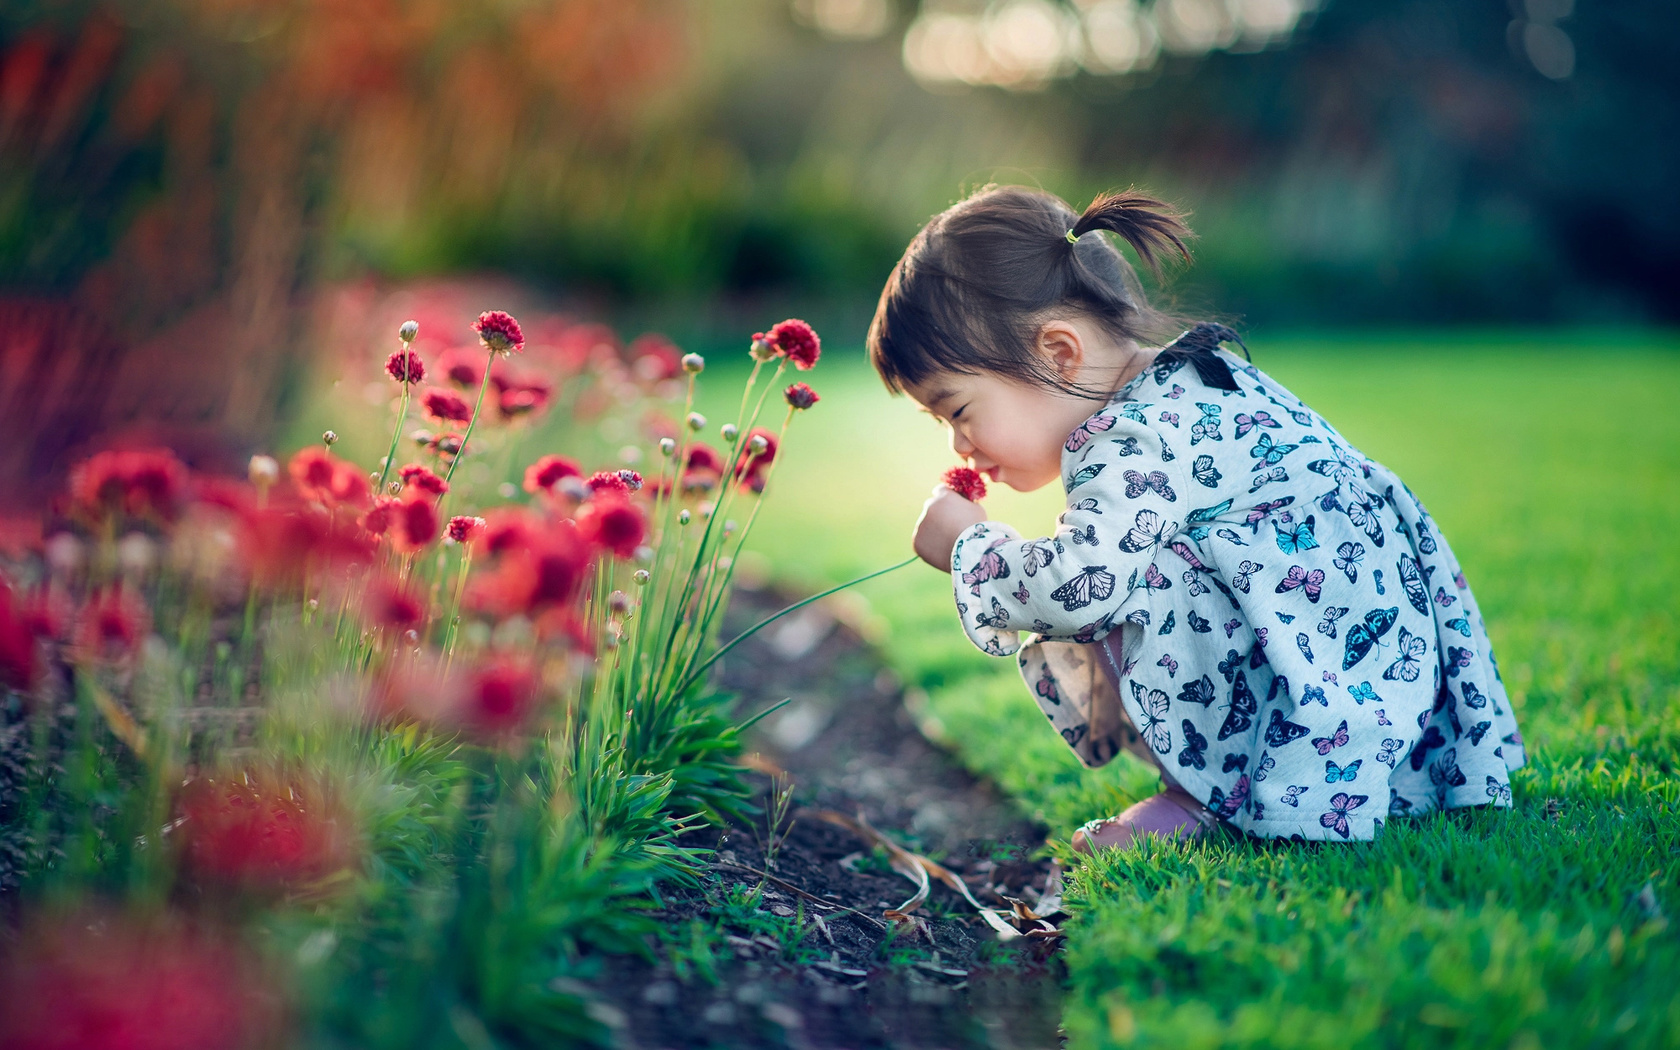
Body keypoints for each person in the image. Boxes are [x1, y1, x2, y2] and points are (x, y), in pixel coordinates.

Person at [866, 185, 1524, 850]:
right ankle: (1266, 779)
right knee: (1140, 562)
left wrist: (965, 545)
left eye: (957, 410)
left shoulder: (1130, 438)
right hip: (1364, 644)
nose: (958, 444)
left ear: (1059, 352)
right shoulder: (1196, 375)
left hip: (1321, 643)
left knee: (1116, 580)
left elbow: (1075, 589)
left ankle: (1211, 798)